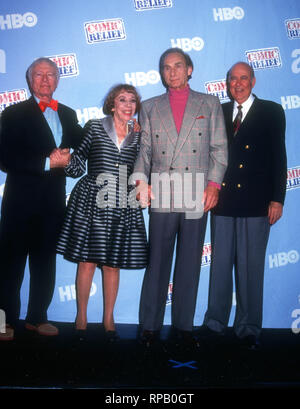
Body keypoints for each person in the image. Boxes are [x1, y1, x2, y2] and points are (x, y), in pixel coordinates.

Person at [134, 48, 228, 346]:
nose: (171, 72)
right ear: (161, 73)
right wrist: (140, 182)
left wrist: (214, 184)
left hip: (196, 191)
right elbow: (144, 152)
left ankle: (183, 327)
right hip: (162, 187)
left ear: (190, 69)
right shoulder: (149, 106)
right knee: (158, 262)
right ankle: (150, 326)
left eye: (177, 66)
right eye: (165, 67)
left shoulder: (209, 103)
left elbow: (219, 149)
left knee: (188, 263)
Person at [203, 62, 287, 349]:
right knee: (220, 266)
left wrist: (278, 198)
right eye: (232, 79)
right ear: (226, 83)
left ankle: (249, 327)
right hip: (223, 202)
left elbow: (280, 157)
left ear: (253, 81)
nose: (237, 84)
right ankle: (215, 323)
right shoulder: (220, 112)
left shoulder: (272, 111)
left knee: (251, 268)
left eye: (243, 78)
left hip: (256, 202)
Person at [56, 84, 148, 341]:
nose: (128, 105)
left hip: (123, 200)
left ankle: (109, 318)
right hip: (92, 199)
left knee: (112, 264)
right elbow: (77, 165)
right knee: (87, 261)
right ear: (112, 104)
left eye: (132, 101)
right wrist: (63, 159)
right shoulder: (95, 126)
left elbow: (142, 169)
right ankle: (81, 317)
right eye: (122, 100)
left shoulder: (140, 135)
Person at [0, 57, 83, 341]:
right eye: (39, 74)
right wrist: (48, 163)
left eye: (51, 74)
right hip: (19, 204)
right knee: (9, 265)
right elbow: (5, 157)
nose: (45, 79)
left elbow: (81, 156)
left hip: (52, 204)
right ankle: (3, 322)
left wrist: (71, 163)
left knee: (45, 262)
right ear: (30, 79)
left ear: (58, 79)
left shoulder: (69, 114)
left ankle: (38, 317)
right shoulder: (12, 113)